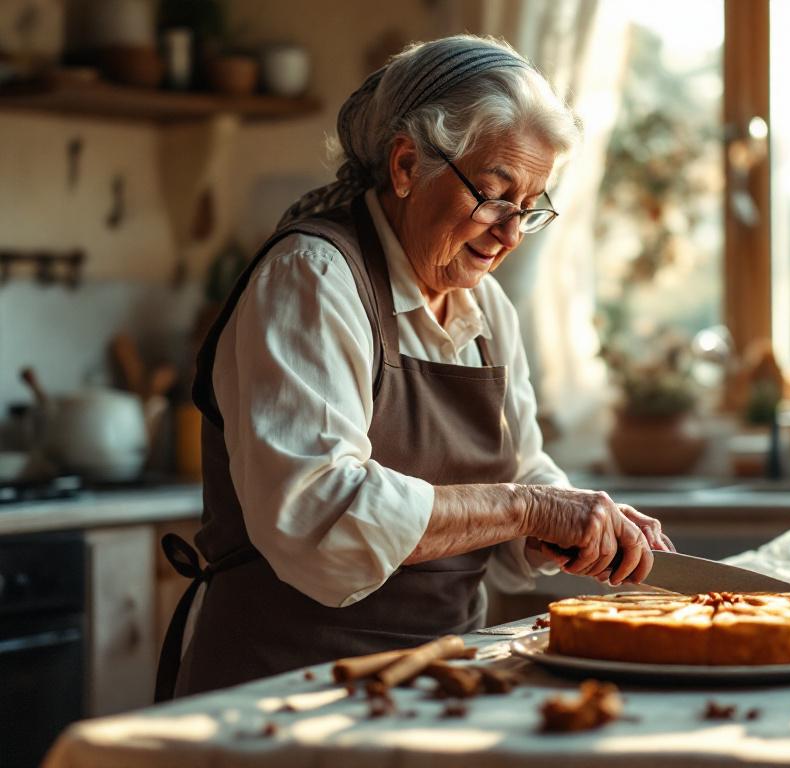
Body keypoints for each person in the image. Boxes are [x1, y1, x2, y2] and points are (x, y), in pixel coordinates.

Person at [157, 35, 673, 699]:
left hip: (440, 684)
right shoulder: (313, 278)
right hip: (286, 690)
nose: (511, 233)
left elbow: (522, 470)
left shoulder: (486, 307)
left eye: (529, 207)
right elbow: (322, 516)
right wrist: (530, 509)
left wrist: (568, 524)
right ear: (406, 166)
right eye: (494, 195)